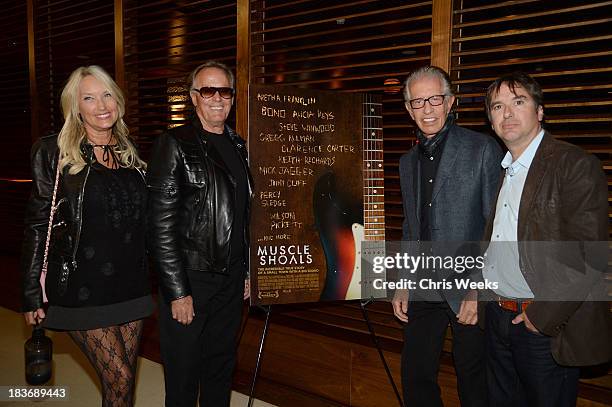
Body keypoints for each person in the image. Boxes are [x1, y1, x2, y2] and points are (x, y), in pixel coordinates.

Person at [21, 65, 153, 406]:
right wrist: (31, 290)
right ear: (75, 107)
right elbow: (38, 223)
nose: (101, 105)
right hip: (83, 284)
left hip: (131, 282)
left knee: (122, 385)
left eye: (107, 94)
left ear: (118, 100)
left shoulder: (130, 151)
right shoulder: (53, 151)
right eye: (89, 98)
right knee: (120, 378)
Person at [481, 72, 612, 407]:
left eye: (518, 101)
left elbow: (588, 255)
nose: (507, 113)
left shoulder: (574, 164)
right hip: (497, 318)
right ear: (491, 119)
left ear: (540, 111)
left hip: (540, 326)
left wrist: (541, 317)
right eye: (498, 106)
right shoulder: (505, 169)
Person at [391, 66, 502, 407]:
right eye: (418, 101)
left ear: (450, 101)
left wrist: (478, 287)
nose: (427, 109)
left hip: (468, 285)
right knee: (416, 376)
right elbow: (412, 226)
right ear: (408, 109)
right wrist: (403, 280)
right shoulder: (407, 162)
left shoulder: (482, 148)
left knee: (474, 381)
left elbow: (495, 226)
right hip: (423, 285)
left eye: (435, 99)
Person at [147, 60, 252, 407]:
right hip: (191, 280)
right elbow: (159, 224)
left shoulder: (238, 145)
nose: (217, 98)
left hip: (232, 279)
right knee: (183, 374)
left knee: (221, 367)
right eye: (208, 90)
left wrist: (249, 270)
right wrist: (177, 292)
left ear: (232, 97)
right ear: (194, 97)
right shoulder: (174, 143)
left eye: (225, 91)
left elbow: (246, 216)